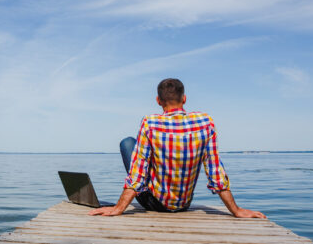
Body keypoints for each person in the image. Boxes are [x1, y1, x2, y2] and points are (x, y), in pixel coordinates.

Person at [89, 78, 266, 218]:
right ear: (184, 98)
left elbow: (138, 172)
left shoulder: (150, 123)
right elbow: (215, 171)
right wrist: (236, 210)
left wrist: (118, 208)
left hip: (156, 204)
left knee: (127, 143)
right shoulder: (205, 122)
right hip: (184, 204)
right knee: (211, 158)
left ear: (158, 101)